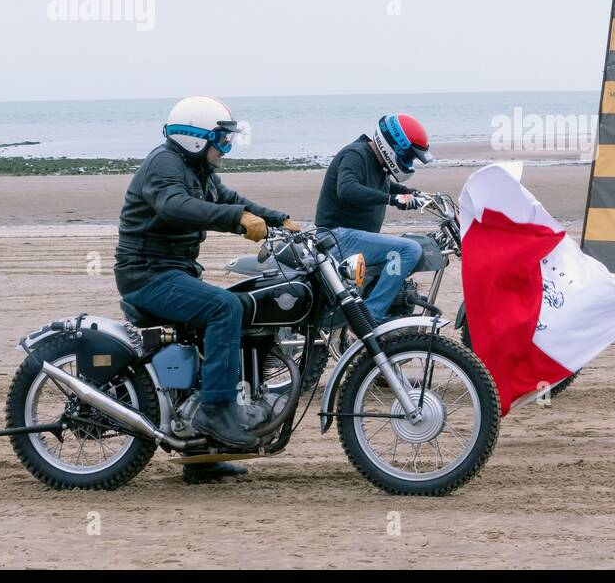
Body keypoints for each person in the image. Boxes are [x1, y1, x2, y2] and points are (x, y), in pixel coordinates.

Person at [114, 96, 299, 481]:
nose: (226, 148)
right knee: (223, 308)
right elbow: (175, 206)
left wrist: (279, 219)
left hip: (173, 272)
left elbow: (232, 200)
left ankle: (203, 456)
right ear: (196, 138)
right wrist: (237, 221)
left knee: (241, 306)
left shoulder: (198, 170)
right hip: (147, 275)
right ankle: (216, 409)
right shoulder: (164, 165)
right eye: (222, 140)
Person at [314, 114, 433, 324]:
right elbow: (347, 189)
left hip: (351, 238)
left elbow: (383, 186)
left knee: (415, 246)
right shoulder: (356, 154)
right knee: (409, 250)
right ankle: (370, 316)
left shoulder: (378, 162)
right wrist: (393, 199)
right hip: (335, 238)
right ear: (394, 146)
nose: (408, 162)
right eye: (408, 156)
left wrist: (412, 193)